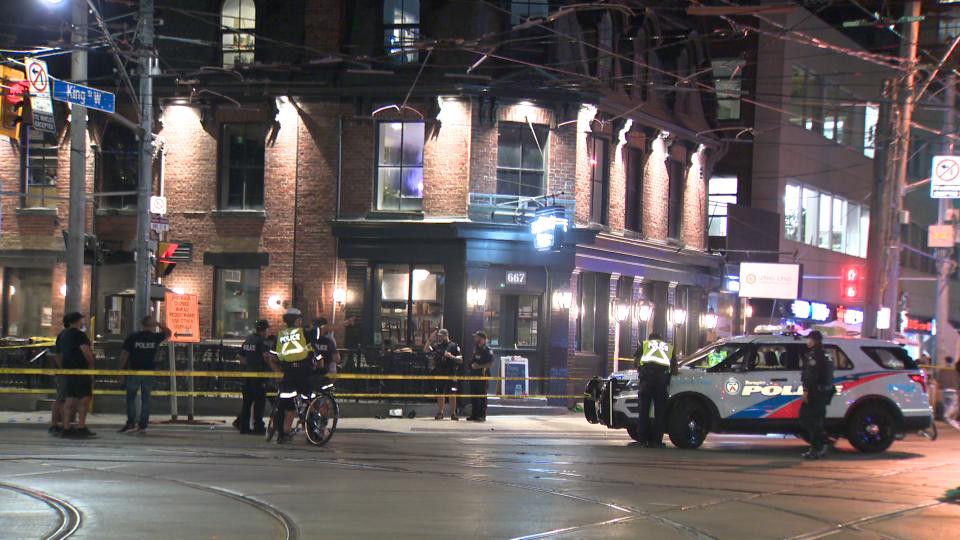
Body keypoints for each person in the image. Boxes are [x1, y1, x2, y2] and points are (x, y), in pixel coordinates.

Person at [118, 316, 172, 434]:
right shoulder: (155, 337)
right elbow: (168, 332)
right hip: (149, 372)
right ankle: (143, 425)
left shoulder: (133, 337)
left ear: (141, 325)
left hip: (134, 371)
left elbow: (124, 355)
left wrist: (121, 371)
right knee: (146, 399)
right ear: (152, 325)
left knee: (130, 398)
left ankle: (130, 423)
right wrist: (158, 323)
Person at [274, 308, 318, 443]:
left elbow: (276, 355)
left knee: (283, 405)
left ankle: (281, 435)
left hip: (288, 372)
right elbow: (317, 338)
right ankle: (312, 434)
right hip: (303, 372)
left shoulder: (280, 335)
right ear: (298, 320)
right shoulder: (304, 332)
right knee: (310, 401)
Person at [59, 312, 96, 439]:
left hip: (68, 371)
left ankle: (66, 427)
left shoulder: (62, 335)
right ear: (76, 321)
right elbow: (86, 352)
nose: (83, 322)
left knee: (70, 398)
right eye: (82, 320)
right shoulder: (79, 335)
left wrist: (62, 367)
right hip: (81, 370)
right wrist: (91, 367)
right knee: (84, 399)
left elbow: (58, 353)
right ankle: (81, 426)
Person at [634, 333, 674, 448]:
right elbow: (675, 369)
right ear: (661, 340)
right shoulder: (668, 347)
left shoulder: (646, 345)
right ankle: (656, 441)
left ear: (650, 339)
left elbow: (635, 362)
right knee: (659, 413)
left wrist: (641, 370)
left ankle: (642, 440)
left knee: (643, 411)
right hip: (661, 383)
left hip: (646, 382)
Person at [800, 330, 835, 460]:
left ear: (814, 341)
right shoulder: (827, 354)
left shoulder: (814, 356)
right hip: (825, 392)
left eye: (809, 339)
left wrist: (806, 392)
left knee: (807, 418)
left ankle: (817, 447)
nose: (807, 341)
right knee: (817, 420)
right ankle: (822, 443)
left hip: (815, 392)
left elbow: (810, 376)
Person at [238, 320, 277, 434]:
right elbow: (266, 357)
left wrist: (250, 364)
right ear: (265, 330)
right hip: (259, 376)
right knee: (259, 403)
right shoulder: (261, 342)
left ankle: (244, 427)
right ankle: (258, 426)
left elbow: (241, 357)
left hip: (247, 375)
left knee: (247, 402)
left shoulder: (248, 340)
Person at [427, 329, 462, 420]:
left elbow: (460, 360)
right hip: (440, 372)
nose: (440, 337)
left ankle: (453, 414)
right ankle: (440, 412)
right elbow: (426, 349)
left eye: (441, 335)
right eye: (439, 336)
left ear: (446, 335)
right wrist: (430, 340)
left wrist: (451, 356)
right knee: (440, 393)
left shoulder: (454, 346)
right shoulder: (438, 346)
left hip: (451, 373)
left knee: (452, 393)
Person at [467, 331, 494, 422]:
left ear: (482, 339)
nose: (475, 339)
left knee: (482, 395)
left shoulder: (487, 349)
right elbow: (473, 359)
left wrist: (479, 366)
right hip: (474, 375)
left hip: (482, 375)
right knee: (474, 395)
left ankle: (482, 415)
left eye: (477, 337)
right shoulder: (476, 348)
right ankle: (474, 415)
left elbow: (490, 364)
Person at [937, 356, 959, 430]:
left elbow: (939, 380)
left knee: (946, 406)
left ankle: (949, 419)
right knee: (952, 406)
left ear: (945, 361)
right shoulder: (955, 370)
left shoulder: (942, 370)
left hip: (945, 390)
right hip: (954, 390)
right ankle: (949, 419)